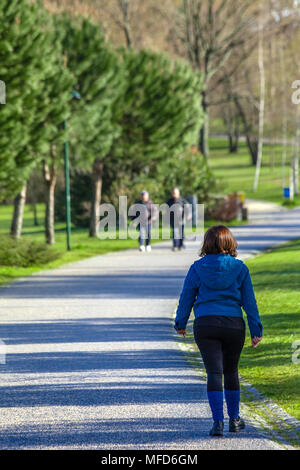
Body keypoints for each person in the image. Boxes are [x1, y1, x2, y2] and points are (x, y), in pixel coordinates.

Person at [174, 225, 263, 437]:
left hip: (205, 324)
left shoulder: (196, 268)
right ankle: (234, 420)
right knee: (231, 371)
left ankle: (217, 423)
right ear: (230, 243)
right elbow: (249, 302)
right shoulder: (240, 269)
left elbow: (187, 297)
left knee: (214, 373)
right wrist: (255, 329)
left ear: (207, 243)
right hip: (233, 325)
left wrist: (180, 323)